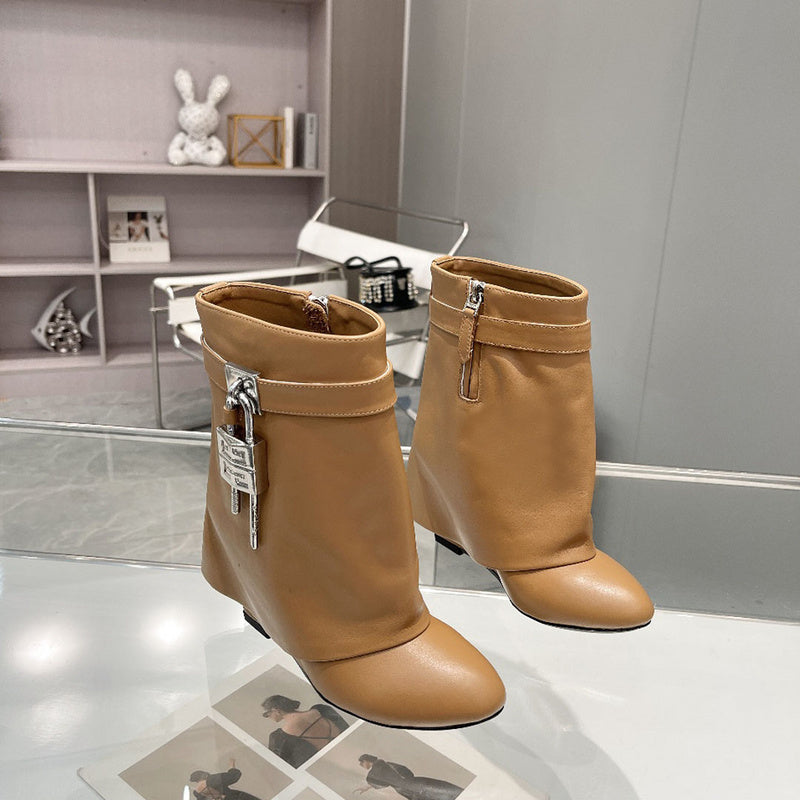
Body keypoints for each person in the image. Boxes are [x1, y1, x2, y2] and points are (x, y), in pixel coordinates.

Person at [261, 694, 348, 768]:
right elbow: (345, 727)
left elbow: (281, 767)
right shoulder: (322, 709)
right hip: (346, 749)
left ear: (276, 710)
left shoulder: (279, 737)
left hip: (330, 766)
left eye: (266, 714)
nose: (268, 717)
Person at [354, 754, 464, 800]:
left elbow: (379, 782)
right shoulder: (387, 763)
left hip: (410, 789)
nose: (361, 765)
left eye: (361, 763)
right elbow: (406, 771)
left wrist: (367, 786)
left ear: (367, 761)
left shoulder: (373, 773)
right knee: (446, 790)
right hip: (416, 782)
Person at [189, 759, 262, 800]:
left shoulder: (198, 794)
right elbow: (233, 776)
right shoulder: (211, 780)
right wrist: (232, 766)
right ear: (204, 775)